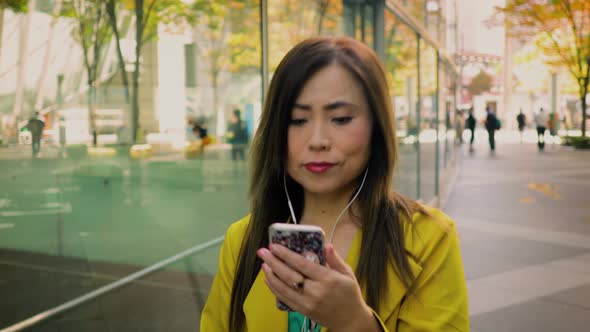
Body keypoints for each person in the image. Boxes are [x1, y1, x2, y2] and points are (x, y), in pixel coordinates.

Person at [201, 37, 469, 332]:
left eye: (340, 119)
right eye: (297, 120)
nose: (318, 140)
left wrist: (355, 322)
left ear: (376, 127)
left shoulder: (428, 239)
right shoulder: (243, 240)